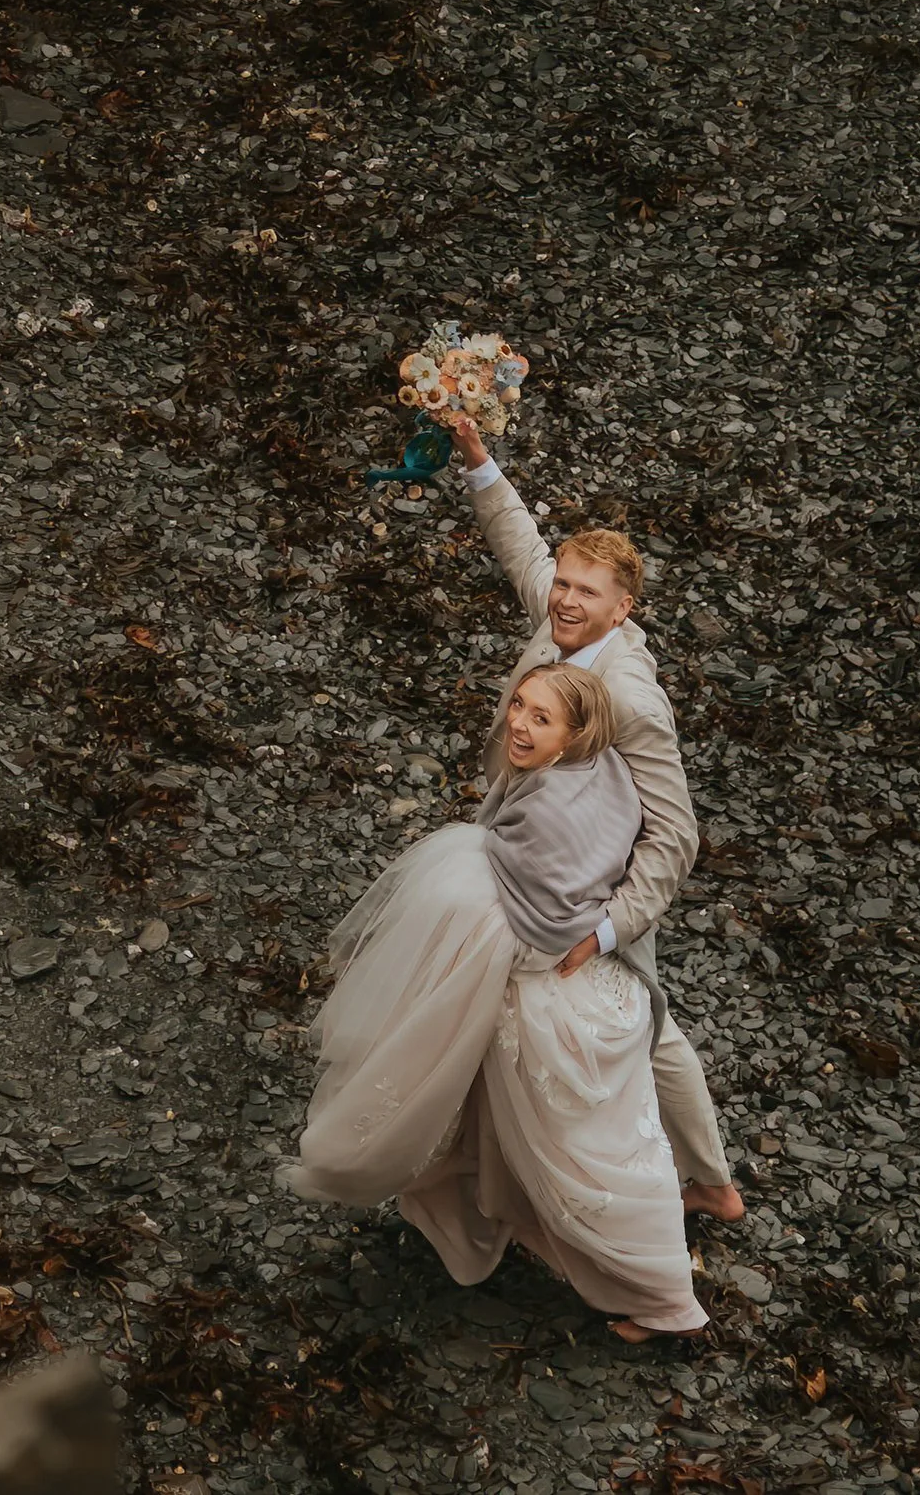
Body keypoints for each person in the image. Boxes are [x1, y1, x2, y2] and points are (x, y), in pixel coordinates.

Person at [281, 664, 707, 1337]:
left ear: (573, 736)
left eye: (541, 719)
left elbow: (543, 926)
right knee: (578, 1142)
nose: (519, 722)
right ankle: (506, 1224)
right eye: (520, 706)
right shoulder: (606, 773)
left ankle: (665, 1300)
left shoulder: (544, 810)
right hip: (604, 992)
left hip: (557, 1006)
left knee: (582, 1158)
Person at [441, 410, 742, 1223]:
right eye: (564, 587)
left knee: (644, 1019)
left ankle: (701, 1182)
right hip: (533, 842)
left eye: (585, 593)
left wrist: (608, 929)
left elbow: (677, 835)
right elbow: (523, 549)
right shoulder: (561, 615)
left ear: (625, 609)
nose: (564, 601)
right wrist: (477, 459)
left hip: (592, 884)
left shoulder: (631, 699)